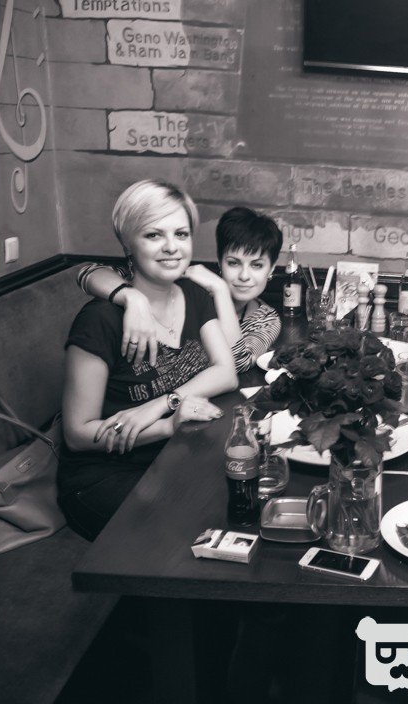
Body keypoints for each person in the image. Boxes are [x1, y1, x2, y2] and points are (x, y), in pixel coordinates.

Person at [59, 180, 238, 540]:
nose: (172, 247)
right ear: (128, 244)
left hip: (173, 457)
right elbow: (77, 435)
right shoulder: (100, 320)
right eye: (154, 235)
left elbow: (226, 372)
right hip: (106, 475)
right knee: (193, 534)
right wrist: (165, 427)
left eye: (181, 234)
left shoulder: (194, 294)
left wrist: (163, 404)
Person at [77, 206, 283, 372]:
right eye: (233, 263)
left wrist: (220, 289)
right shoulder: (186, 281)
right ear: (220, 262)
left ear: (271, 269)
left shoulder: (266, 319)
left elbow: (236, 364)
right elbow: (88, 272)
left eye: (257, 265)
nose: (244, 276)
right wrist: (131, 297)